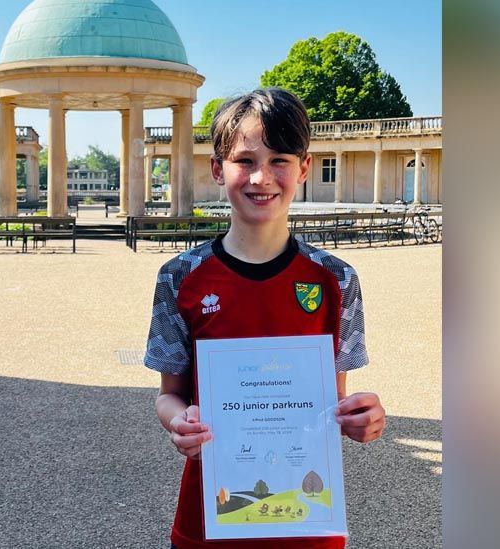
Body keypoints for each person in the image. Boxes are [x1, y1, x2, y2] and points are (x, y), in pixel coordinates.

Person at [143, 88, 386, 549]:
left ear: (304, 167)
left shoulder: (336, 279)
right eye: (244, 160)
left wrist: (362, 417)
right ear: (218, 169)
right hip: (209, 517)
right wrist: (180, 422)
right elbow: (168, 396)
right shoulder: (180, 278)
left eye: (280, 159)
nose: (262, 176)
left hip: (308, 522)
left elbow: (332, 402)